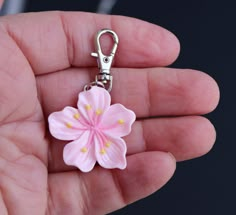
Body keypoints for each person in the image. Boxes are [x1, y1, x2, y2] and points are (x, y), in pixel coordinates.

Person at [0, 8, 219, 215]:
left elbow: (122, 120)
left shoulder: (112, 113)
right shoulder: (88, 102)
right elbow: (59, 122)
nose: (94, 127)